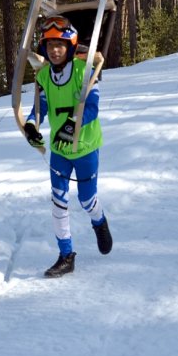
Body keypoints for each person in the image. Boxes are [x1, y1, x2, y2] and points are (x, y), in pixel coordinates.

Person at [22, 15, 112, 277]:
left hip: (85, 148)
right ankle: (66, 255)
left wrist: (73, 123)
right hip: (60, 151)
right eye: (50, 46)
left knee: (86, 199)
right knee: (58, 201)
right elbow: (40, 108)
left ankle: (99, 221)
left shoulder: (84, 73)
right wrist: (31, 126)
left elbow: (92, 108)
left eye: (60, 45)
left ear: (70, 47)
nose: (55, 50)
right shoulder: (44, 78)